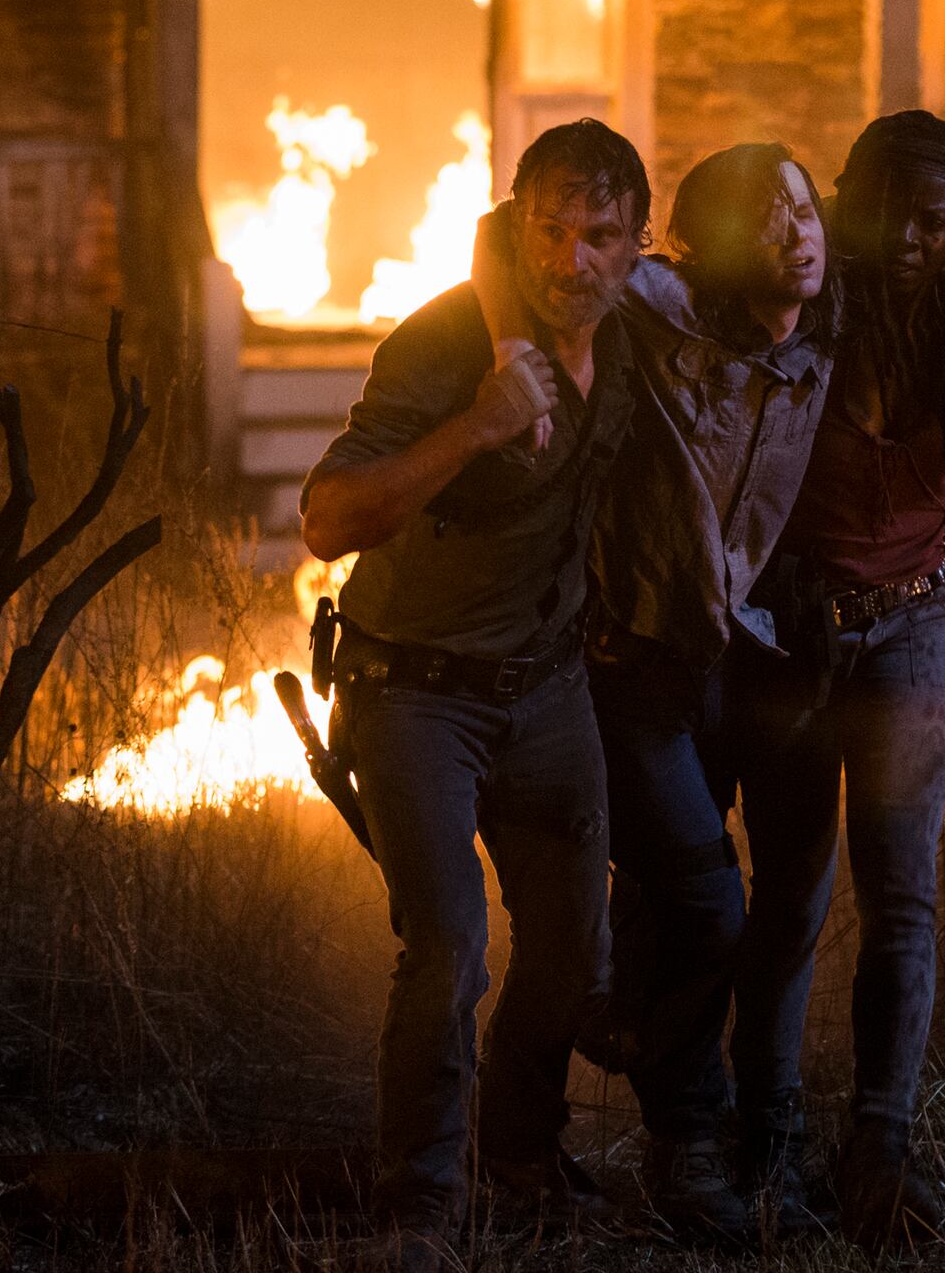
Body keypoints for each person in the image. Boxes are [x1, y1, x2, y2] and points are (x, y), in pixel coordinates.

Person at [298, 119, 650, 1264]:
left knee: (569, 934)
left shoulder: (636, 338)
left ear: (637, 248)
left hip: (549, 689)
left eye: (600, 235)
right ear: (518, 223)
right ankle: (418, 1206)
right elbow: (328, 517)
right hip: (416, 690)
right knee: (448, 943)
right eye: (550, 228)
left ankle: (518, 1162)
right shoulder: (445, 345)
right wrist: (479, 425)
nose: (572, 259)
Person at [728, 111, 945, 1246]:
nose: (907, 237)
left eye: (934, 220)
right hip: (794, 634)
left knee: (900, 895)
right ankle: (765, 1147)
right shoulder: (803, 307)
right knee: (792, 891)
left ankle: (881, 1155)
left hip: (915, 624)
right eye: (889, 211)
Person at [581, 142, 837, 1249]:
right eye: (769, 211)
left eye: (807, 201)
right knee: (698, 900)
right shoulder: (656, 309)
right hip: (640, 657)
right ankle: (686, 1142)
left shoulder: (835, 326)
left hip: (767, 653)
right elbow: (508, 244)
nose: (800, 227)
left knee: (783, 903)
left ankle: (757, 1133)